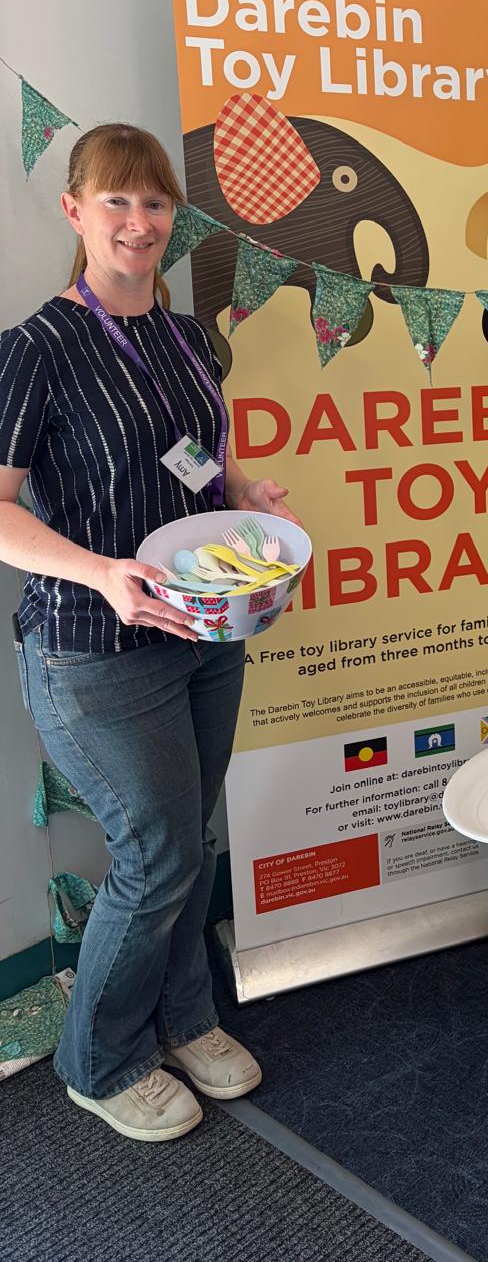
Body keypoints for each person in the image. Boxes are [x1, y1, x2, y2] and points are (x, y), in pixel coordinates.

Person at [0, 124, 300, 1143]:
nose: (139, 221)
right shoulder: (35, 349)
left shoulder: (185, 336)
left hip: (206, 631)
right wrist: (100, 572)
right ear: (75, 211)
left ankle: (186, 1017)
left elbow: (193, 452)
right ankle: (100, 1060)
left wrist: (242, 491)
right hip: (92, 647)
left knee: (189, 838)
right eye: (117, 201)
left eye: (156, 203)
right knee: (159, 852)